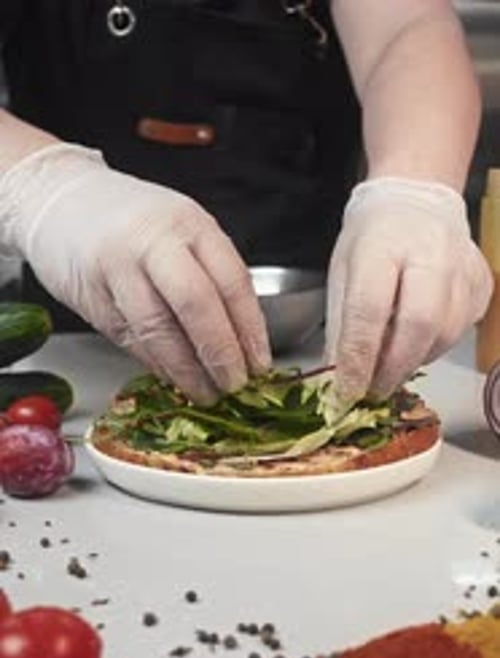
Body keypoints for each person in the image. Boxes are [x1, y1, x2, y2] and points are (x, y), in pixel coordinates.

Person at [0, 0, 492, 405]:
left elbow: (405, 27)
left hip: (320, 341)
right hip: (76, 351)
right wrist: (45, 188)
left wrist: (413, 192)